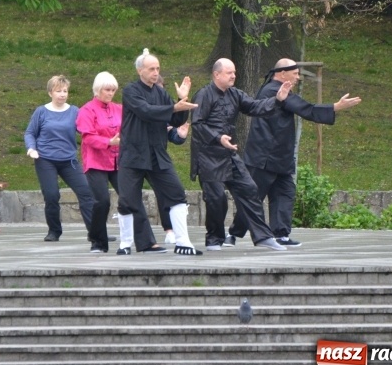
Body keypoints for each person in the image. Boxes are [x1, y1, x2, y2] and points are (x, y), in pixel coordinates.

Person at [227, 58, 362, 247]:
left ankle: (281, 234)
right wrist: (335, 107)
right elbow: (305, 109)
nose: (298, 77)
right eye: (295, 73)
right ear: (282, 73)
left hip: (280, 156)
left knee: (285, 192)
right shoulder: (274, 91)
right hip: (264, 157)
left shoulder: (277, 89)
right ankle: (233, 234)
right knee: (253, 196)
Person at [190, 58, 292, 252]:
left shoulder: (235, 94)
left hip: (228, 153)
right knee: (216, 198)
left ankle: (263, 236)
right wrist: (218, 138)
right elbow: (198, 124)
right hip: (208, 156)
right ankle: (214, 238)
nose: (234, 76)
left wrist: (277, 99)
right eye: (229, 73)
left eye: (235, 72)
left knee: (250, 189)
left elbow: (254, 107)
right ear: (217, 74)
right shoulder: (204, 95)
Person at [117, 49, 200, 256]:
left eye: (158, 69)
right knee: (128, 199)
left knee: (177, 193)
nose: (155, 72)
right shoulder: (130, 91)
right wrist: (173, 107)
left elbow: (175, 120)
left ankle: (183, 242)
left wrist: (182, 102)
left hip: (157, 154)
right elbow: (145, 111)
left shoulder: (161, 93)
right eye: (151, 69)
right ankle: (126, 244)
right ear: (140, 70)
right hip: (133, 153)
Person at [25, 75, 96, 242]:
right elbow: (30, 133)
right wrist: (31, 148)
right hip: (45, 159)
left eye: (65, 91)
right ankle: (54, 231)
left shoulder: (75, 111)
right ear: (50, 92)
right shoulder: (41, 111)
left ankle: (95, 232)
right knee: (51, 195)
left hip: (68, 160)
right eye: (58, 91)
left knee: (86, 192)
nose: (62, 94)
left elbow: (86, 131)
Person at [77, 72, 122, 253]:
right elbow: (87, 138)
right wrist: (108, 142)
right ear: (98, 90)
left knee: (129, 197)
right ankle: (97, 241)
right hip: (96, 161)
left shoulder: (119, 108)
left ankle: (136, 237)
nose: (110, 93)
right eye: (107, 90)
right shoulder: (86, 110)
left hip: (118, 160)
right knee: (102, 201)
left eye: (113, 90)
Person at [155, 74, 191, 245]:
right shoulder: (138, 102)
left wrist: (180, 135)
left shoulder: (165, 105)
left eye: (161, 90)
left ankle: (171, 231)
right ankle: (129, 240)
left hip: (159, 155)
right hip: (136, 157)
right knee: (128, 198)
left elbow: (171, 132)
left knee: (168, 192)